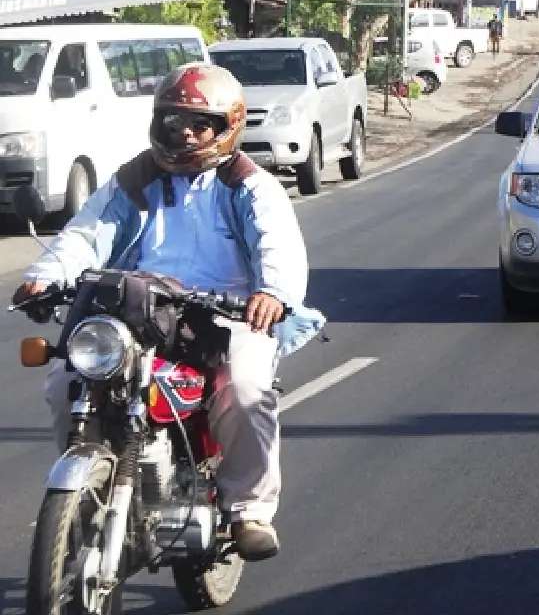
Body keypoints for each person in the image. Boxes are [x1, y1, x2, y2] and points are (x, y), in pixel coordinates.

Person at [12, 63, 326, 563]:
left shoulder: (249, 184)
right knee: (66, 379)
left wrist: (274, 292)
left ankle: (249, 508)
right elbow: (87, 232)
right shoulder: (135, 179)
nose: (184, 133)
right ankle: (90, 484)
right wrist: (47, 275)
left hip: (228, 313)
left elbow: (277, 244)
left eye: (198, 123)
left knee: (244, 390)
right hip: (141, 307)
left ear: (228, 126)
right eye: (173, 121)